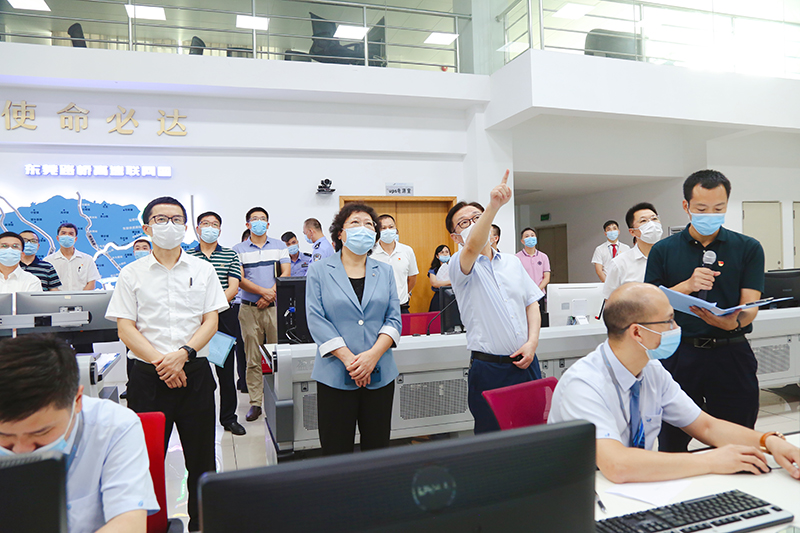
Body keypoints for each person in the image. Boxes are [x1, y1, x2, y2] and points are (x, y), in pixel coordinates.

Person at [548, 282, 800, 483]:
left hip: (635, 485)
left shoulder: (652, 370)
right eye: (669, 321)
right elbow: (617, 465)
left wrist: (770, 441)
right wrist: (711, 460)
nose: (676, 327)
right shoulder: (584, 384)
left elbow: (706, 426)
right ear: (637, 332)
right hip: (583, 494)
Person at [105, 196, 228, 532]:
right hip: (148, 377)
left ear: (185, 227)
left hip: (195, 373)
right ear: (147, 227)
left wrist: (183, 355)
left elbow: (211, 321)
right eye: (161, 219)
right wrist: (163, 363)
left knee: (202, 459)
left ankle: (202, 524)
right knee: (145, 461)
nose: (169, 225)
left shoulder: (203, 270)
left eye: (176, 219)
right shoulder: (131, 273)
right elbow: (125, 328)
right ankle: (149, 525)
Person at [645, 170, 766, 453]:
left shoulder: (748, 248)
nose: (710, 215)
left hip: (730, 352)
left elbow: (750, 305)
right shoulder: (663, 250)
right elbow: (649, 304)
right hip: (680, 354)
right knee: (672, 441)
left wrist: (733, 324)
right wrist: (687, 286)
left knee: (739, 440)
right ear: (686, 206)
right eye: (701, 209)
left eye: (718, 208)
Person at [0, 333, 160, 533]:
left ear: (76, 400)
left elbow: (129, 524)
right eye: (5, 437)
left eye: (40, 434)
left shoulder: (115, 427)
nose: (22, 450)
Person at [447, 171, 544, 434]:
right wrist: (493, 206)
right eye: (464, 223)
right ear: (455, 237)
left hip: (526, 362)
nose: (474, 224)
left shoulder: (512, 262)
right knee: (493, 437)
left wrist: (532, 342)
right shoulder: (459, 264)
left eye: (477, 218)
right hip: (489, 368)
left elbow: (531, 303)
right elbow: (472, 247)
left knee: (533, 432)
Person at [306, 203, 401, 455]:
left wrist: (371, 357)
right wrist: (351, 360)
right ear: (340, 233)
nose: (363, 228)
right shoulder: (318, 270)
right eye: (355, 223)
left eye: (369, 224)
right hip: (335, 374)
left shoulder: (385, 271)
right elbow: (316, 319)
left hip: (379, 372)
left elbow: (393, 319)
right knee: (336, 450)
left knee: (377, 448)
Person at [188, 211, 246, 436]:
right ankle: (197, 418)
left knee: (225, 371)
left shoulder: (230, 255)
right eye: (205, 223)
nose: (210, 227)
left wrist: (210, 308)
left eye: (214, 224)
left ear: (220, 230)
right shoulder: (187, 255)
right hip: (194, 319)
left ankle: (229, 418)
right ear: (198, 228)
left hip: (223, 316)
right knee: (197, 369)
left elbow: (233, 287)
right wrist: (202, 310)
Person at [233, 207, 290, 422]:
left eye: (263, 219)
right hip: (249, 309)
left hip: (274, 307)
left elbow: (286, 272)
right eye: (255, 219)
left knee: (278, 357)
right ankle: (256, 403)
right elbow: (239, 279)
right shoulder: (238, 249)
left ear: (268, 224)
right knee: (252, 358)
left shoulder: (279, 246)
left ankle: (279, 399)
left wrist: (270, 295)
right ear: (248, 224)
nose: (259, 222)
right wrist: (264, 293)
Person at [603, 203, 661, 299]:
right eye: (643, 221)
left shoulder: (672, 256)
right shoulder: (619, 264)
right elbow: (609, 299)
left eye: (654, 219)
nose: (651, 224)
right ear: (632, 231)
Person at [371, 214, 418, 313]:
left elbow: (412, 277)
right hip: (377, 307)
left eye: (391, 227)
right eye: (383, 228)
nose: (388, 230)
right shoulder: (370, 252)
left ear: (396, 229)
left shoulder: (407, 250)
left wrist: (404, 293)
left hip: (401, 306)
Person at [44, 223, 100, 291]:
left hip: (83, 297)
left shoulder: (87, 259)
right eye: (63, 233)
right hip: (57, 298)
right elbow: (50, 285)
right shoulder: (48, 261)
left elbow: (91, 283)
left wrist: (80, 297)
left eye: (71, 234)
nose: (67, 236)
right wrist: (61, 297)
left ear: (75, 239)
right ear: (58, 238)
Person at [516, 228, 550, 294]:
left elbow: (546, 277)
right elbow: (516, 278)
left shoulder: (543, 256)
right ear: (522, 241)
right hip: (525, 294)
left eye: (532, 235)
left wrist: (537, 290)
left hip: (540, 293)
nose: (530, 238)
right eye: (527, 236)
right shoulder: (517, 258)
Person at [427, 245, 451, 312]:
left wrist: (441, 283)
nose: (445, 254)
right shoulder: (433, 270)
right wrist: (451, 282)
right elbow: (434, 283)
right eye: (442, 252)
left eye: (447, 252)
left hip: (451, 296)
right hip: (439, 297)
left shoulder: (453, 268)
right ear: (437, 256)